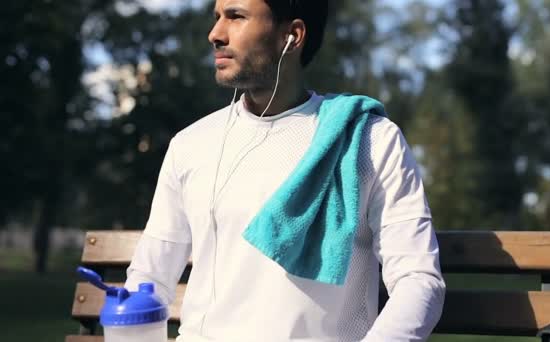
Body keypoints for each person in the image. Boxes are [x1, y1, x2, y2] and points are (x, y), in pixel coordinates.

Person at [125, 0, 445, 341]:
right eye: (217, 17)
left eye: (236, 17)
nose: (215, 34)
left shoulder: (369, 141)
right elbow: (150, 276)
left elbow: (418, 279)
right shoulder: (190, 145)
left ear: (292, 36)